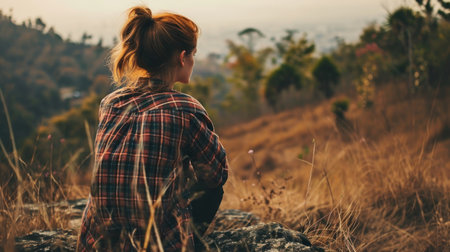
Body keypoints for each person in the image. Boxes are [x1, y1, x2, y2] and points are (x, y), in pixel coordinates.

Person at [77, 6, 228, 252]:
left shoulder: (111, 102)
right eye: (193, 54)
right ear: (182, 57)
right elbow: (216, 175)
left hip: (96, 242)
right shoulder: (185, 109)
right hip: (158, 243)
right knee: (214, 191)